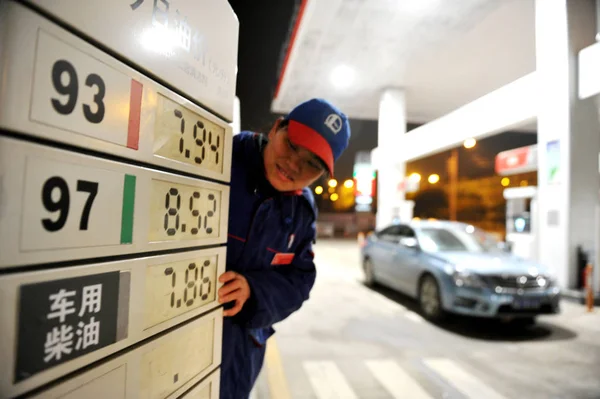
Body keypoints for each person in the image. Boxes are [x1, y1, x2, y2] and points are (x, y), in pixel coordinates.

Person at [217, 98, 351, 398]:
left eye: (312, 163)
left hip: (240, 358)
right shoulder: (220, 160)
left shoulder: (302, 211)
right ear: (276, 128)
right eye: (292, 145)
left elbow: (299, 279)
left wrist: (254, 291)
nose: (293, 164)